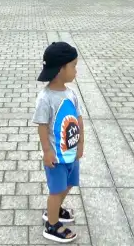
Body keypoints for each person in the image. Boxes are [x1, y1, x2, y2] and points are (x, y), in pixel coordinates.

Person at [32, 42, 84, 243]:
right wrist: (47, 151)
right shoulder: (45, 98)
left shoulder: (71, 93)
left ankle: (54, 211)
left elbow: (78, 119)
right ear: (61, 69)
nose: (76, 70)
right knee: (56, 190)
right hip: (56, 156)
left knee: (68, 184)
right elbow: (42, 126)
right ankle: (51, 225)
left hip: (71, 153)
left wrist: (80, 144)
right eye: (73, 65)